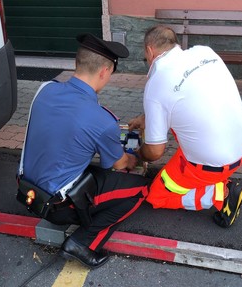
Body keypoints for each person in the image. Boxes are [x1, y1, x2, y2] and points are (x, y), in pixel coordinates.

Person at [18, 33, 149, 268]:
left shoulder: (44, 90)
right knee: (139, 190)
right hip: (58, 208)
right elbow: (118, 165)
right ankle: (82, 244)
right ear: (104, 72)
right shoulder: (101, 120)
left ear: (77, 64)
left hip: (28, 193)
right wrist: (135, 157)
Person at [128, 25, 242, 228]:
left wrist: (135, 156)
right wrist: (147, 117)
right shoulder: (205, 52)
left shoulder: (156, 82)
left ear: (150, 50)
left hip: (212, 164)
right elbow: (189, 96)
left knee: (157, 195)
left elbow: (155, 151)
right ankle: (212, 181)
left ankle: (221, 193)